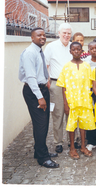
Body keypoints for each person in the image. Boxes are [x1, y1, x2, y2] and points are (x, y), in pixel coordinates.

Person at [19, 27, 59, 168]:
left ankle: (39, 150)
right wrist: (40, 97)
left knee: (42, 123)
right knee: (41, 125)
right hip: (34, 91)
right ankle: (43, 158)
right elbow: (30, 77)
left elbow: (40, 71)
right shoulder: (30, 53)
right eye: (38, 35)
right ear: (32, 37)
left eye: (43, 35)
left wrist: (46, 85)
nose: (42, 37)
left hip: (41, 89)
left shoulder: (39, 51)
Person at [44, 23, 80, 153]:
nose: (66, 35)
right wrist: (49, 84)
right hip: (56, 84)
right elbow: (45, 66)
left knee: (72, 112)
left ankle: (74, 140)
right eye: (64, 33)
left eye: (69, 33)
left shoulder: (73, 47)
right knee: (58, 114)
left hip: (72, 85)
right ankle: (58, 142)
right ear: (59, 33)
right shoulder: (51, 47)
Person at [56, 42, 96, 159]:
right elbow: (63, 86)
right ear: (70, 52)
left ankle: (83, 146)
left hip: (84, 100)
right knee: (72, 126)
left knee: (83, 125)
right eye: (74, 50)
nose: (76, 51)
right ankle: (72, 148)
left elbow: (91, 83)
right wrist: (65, 103)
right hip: (72, 101)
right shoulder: (67, 66)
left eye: (79, 49)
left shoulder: (86, 66)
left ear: (82, 51)